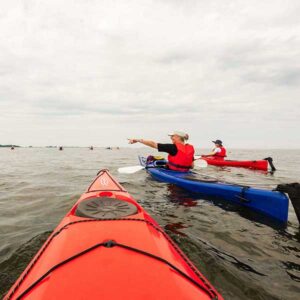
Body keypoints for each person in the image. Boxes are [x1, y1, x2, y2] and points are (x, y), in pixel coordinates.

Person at [128, 131, 195, 172]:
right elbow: (192, 166)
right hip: (185, 172)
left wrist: (137, 140)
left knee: (151, 159)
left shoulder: (172, 147)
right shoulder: (190, 148)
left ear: (178, 137)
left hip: (173, 172)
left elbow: (153, 144)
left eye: (172, 136)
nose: (171, 138)